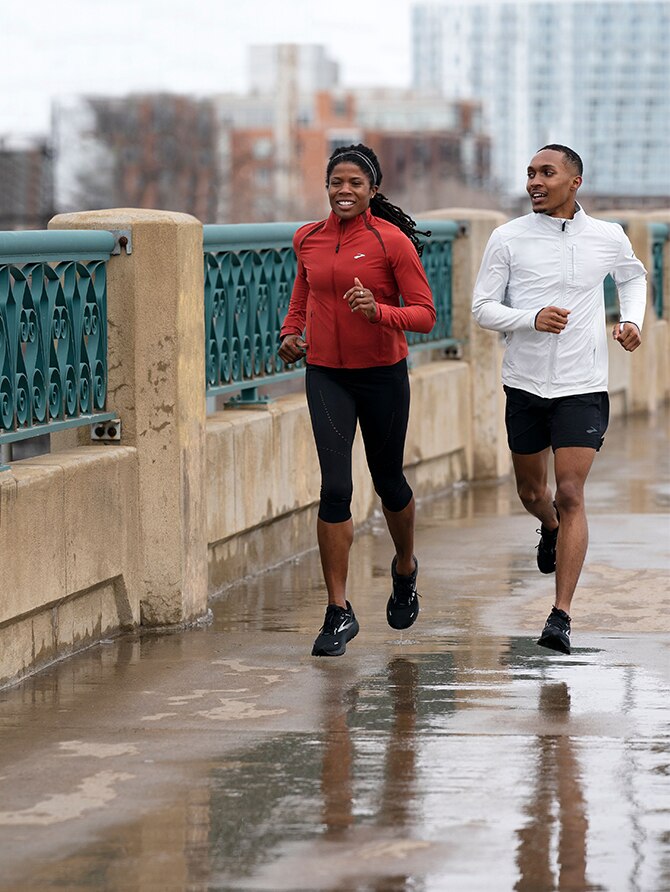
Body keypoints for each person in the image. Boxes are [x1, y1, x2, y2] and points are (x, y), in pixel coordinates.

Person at [472, 144, 647, 655]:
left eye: (546, 173)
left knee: (570, 493)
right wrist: (529, 318)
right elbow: (482, 308)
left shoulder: (607, 236)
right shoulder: (508, 237)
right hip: (525, 383)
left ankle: (561, 615)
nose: (534, 181)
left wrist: (631, 320)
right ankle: (547, 526)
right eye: (530, 173)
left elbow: (632, 276)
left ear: (575, 182)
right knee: (534, 492)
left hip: (582, 384)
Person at [278, 143, 435, 657]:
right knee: (335, 488)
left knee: (389, 482)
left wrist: (379, 312)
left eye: (355, 183)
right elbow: (303, 293)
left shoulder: (392, 242)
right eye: (336, 183)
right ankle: (338, 610)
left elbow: (425, 314)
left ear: (372, 190)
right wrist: (291, 332)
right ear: (326, 187)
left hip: (383, 375)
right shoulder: (308, 238)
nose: (344, 191)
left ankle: (405, 567)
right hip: (326, 374)